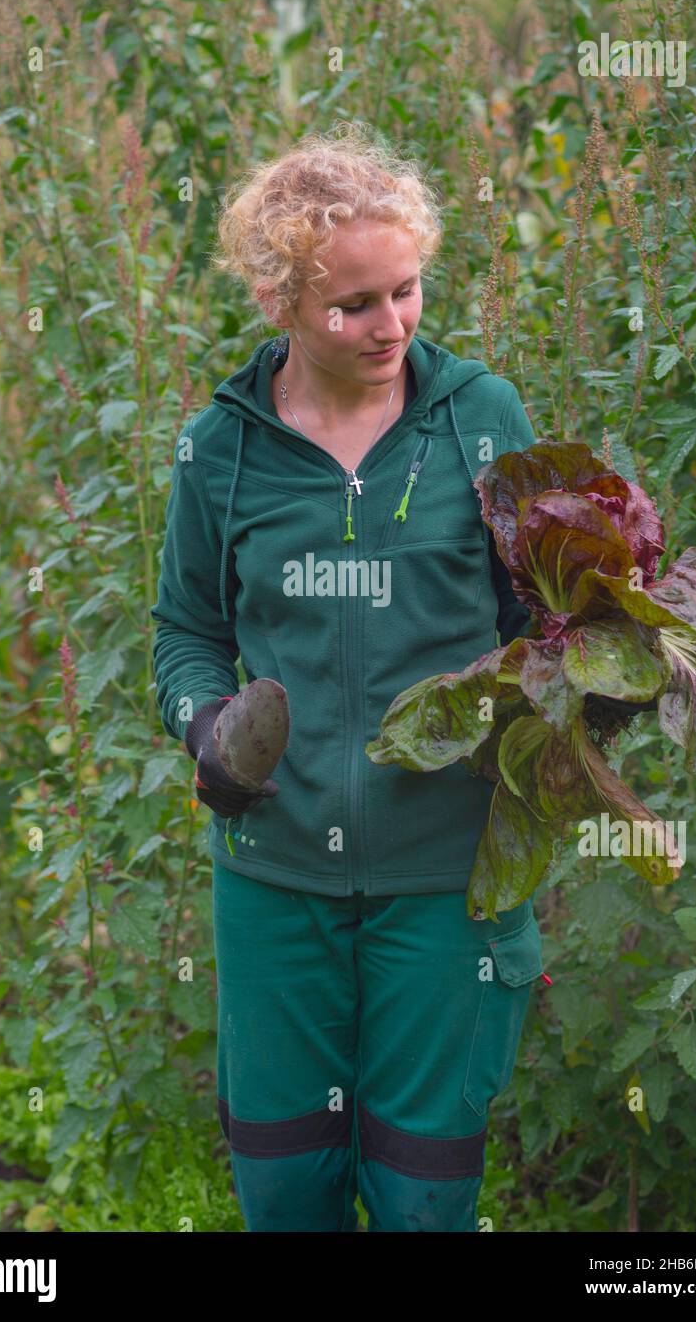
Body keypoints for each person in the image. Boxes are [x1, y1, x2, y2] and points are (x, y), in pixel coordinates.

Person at [150, 123, 545, 1232]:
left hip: (444, 879)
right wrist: (205, 727)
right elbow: (183, 632)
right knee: (285, 1188)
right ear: (279, 300)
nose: (390, 327)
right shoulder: (217, 452)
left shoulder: (481, 418)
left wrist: (578, 693)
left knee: (425, 1197)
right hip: (275, 878)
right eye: (353, 304)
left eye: (405, 291)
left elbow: (537, 623)